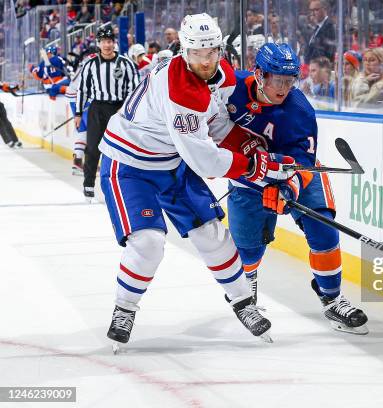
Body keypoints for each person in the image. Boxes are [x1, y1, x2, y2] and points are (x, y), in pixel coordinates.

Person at [99, 13, 295, 348]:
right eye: (197, 53)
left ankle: (243, 302)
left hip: (171, 161)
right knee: (147, 244)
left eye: (211, 52)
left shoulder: (220, 74)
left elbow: (216, 120)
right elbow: (203, 159)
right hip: (130, 166)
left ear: (219, 48)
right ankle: (125, 308)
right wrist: (253, 166)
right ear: (184, 51)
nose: (205, 61)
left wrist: (249, 146)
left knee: (212, 234)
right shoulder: (180, 92)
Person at [219, 42, 369, 335]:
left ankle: (332, 297)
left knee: (323, 226)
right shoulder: (230, 87)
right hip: (248, 178)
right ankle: (245, 294)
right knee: (248, 251)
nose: (284, 88)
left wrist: (289, 188)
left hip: (292, 173)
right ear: (259, 74)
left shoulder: (299, 110)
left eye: (290, 81)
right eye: (278, 80)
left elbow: (303, 162)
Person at [75, 26, 139, 201]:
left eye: (110, 41)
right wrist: (78, 113)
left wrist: (126, 109)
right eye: (103, 41)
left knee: (120, 149)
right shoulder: (90, 64)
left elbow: (134, 90)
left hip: (119, 110)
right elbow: (83, 90)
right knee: (93, 147)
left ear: (114, 43)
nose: (107, 45)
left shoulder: (126, 63)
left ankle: (121, 185)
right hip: (97, 109)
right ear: (99, 43)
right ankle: (88, 184)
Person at [65, 51, 96, 175]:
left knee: (83, 132)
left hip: (73, 97)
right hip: (80, 98)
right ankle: (89, 165)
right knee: (94, 132)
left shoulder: (88, 60)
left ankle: (77, 163)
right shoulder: (96, 61)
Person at [304, 0, 336, 64]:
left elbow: (328, 53)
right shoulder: (316, 27)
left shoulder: (329, 27)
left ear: (324, 9)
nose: (312, 13)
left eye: (315, 10)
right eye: (311, 10)